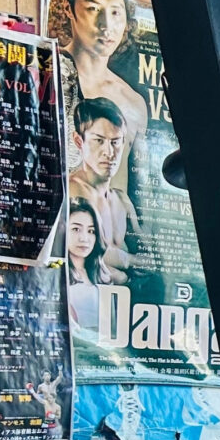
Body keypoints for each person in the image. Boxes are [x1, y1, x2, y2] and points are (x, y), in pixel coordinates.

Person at [58, 0, 148, 164]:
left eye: (115, 12)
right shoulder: (45, 73)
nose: (106, 25)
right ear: (68, 8)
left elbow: (126, 181)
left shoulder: (133, 103)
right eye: (93, 9)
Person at [68, 98, 140, 281]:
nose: (109, 152)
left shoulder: (122, 200)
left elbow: (147, 257)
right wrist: (127, 265)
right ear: (79, 141)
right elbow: (82, 252)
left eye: (115, 142)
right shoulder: (71, 191)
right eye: (99, 141)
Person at [65, 202, 113, 331]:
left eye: (91, 231)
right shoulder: (58, 274)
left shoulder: (101, 274)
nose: (84, 238)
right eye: (76, 229)